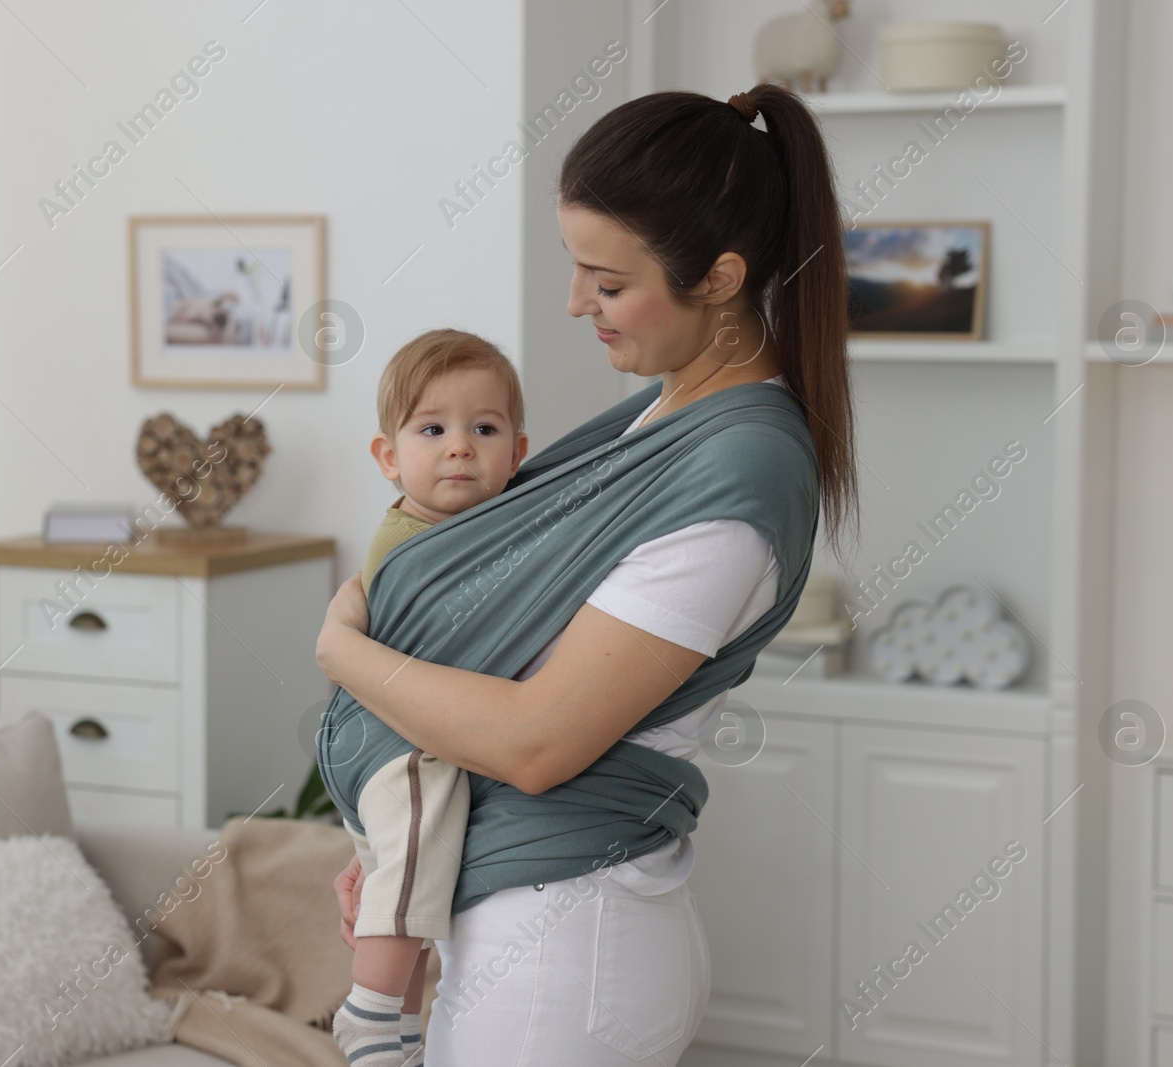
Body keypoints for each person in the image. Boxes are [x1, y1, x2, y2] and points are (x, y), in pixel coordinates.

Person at [316, 83, 857, 1065]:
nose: (576, 303)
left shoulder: (734, 470)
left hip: (566, 945)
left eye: (606, 283)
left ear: (721, 276)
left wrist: (341, 648)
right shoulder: (662, 419)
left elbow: (535, 741)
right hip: (523, 918)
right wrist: (400, 856)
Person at [326, 327, 529, 1066]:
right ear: (389, 457)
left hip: (362, 738)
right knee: (417, 848)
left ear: (518, 450)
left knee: (403, 891)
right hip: (394, 741)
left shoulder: (451, 525)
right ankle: (370, 1015)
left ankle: (403, 1038)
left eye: (484, 428)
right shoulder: (418, 543)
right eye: (433, 429)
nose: (460, 448)